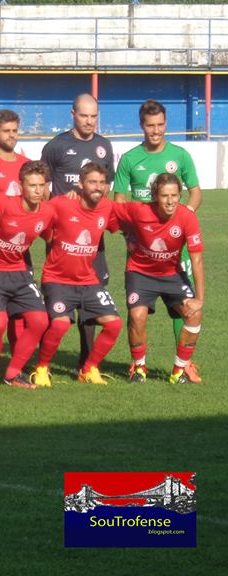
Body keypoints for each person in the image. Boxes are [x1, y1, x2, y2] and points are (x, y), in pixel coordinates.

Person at [113, 99, 203, 382]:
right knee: (137, 313)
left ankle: (184, 364)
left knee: (183, 308)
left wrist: (183, 219)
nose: (156, 131)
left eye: (160, 125)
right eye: (150, 126)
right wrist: (132, 233)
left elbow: (195, 192)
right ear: (142, 126)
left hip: (177, 248)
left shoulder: (181, 155)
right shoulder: (129, 159)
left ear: (166, 124)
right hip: (141, 247)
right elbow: (119, 201)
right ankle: (138, 364)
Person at [40, 93, 114, 372]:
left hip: (93, 239)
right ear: (73, 114)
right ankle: (45, 361)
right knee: (59, 300)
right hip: (63, 238)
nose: (89, 121)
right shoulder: (56, 146)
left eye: (94, 116)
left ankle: (87, 362)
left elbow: (106, 188)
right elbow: (43, 187)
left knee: (93, 297)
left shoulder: (104, 146)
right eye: (84, 115)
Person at [30, 163, 121, 387]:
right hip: (57, 279)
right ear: (80, 184)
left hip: (88, 279)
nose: (97, 187)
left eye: (101, 183)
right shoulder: (62, 203)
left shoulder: (107, 207)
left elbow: (120, 225)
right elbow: (40, 220)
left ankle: (89, 368)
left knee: (114, 324)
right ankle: (42, 368)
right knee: (60, 325)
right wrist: (51, 237)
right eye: (92, 182)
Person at [0, 161, 54, 389]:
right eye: (32, 185)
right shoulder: (3, 204)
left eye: (41, 185)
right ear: (20, 186)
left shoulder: (47, 212)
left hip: (18, 271)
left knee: (40, 321)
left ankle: (12, 373)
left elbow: (51, 234)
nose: (37, 191)